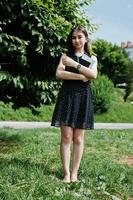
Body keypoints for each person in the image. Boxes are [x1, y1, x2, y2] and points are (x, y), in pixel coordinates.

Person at [51, 25, 97, 183]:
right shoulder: (65, 56)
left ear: (86, 38)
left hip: (83, 98)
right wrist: (80, 76)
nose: (76, 40)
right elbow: (59, 73)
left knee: (78, 138)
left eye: (79, 37)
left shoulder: (92, 58)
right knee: (66, 137)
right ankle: (66, 173)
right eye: (73, 37)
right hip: (67, 97)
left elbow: (93, 74)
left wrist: (75, 64)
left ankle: (75, 173)